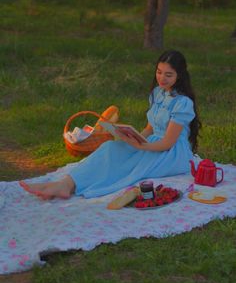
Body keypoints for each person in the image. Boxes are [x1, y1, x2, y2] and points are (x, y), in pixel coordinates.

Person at [19, 50, 201, 201]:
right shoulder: (157, 93)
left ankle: (68, 186)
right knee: (111, 148)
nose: (162, 78)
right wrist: (132, 137)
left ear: (179, 76)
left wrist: (140, 146)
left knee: (128, 164)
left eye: (168, 74)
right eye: (159, 72)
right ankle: (66, 183)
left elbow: (168, 143)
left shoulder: (182, 103)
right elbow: (150, 128)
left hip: (171, 154)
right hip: (152, 143)